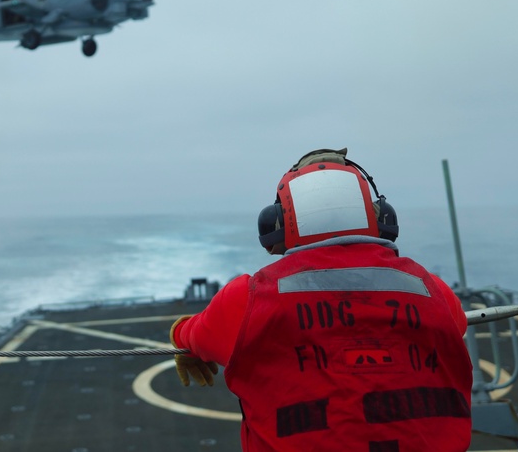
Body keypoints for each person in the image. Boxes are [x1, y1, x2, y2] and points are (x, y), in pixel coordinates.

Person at [170, 148, 472, 452]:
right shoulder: (434, 292)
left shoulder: (246, 300)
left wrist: (187, 344)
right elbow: (454, 327)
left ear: (277, 225)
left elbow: (190, 335)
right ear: (382, 219)